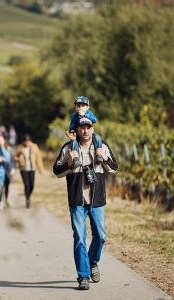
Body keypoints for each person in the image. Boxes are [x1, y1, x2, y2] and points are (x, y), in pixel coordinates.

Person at [53, 117, 118, 291]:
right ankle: (83, 277)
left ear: (93, 129)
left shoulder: (101, 146)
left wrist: (104, 159)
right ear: (77, 129)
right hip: (77, 201)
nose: (86, 130)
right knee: (80, 239)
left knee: (101, 237)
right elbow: (57, 171)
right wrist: (68, 162)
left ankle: (92, 262)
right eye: (82, 127)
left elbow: (114, 168)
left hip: (97, 200)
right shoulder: (68, 148)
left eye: (88, 127)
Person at [66, 96, 104, 163]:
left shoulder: (89, 113)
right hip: (78, 133)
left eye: (83, 105)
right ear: (75, 107)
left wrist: (85, 115)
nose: (80, 107)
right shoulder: (75, 116)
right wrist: (72, 131)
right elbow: (72, 124)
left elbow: (94, 120)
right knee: (74, 142)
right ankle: (75, 158)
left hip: (89, 133)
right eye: (78, 105)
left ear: (87, 107)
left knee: (97, 137)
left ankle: (99, 154)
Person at [14, 134, 44, 208]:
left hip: (32, 168)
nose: (27, 143)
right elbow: (14, 157)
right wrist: (19, 159)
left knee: (32, 185)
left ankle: (28, 196)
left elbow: (38, 158)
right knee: (26, 184)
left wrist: (41, 169)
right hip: (23, 169)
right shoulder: (20, 147)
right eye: (25, 141)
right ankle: (27, 199)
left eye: (28, 141)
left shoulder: (34, 147)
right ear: (23, 141)